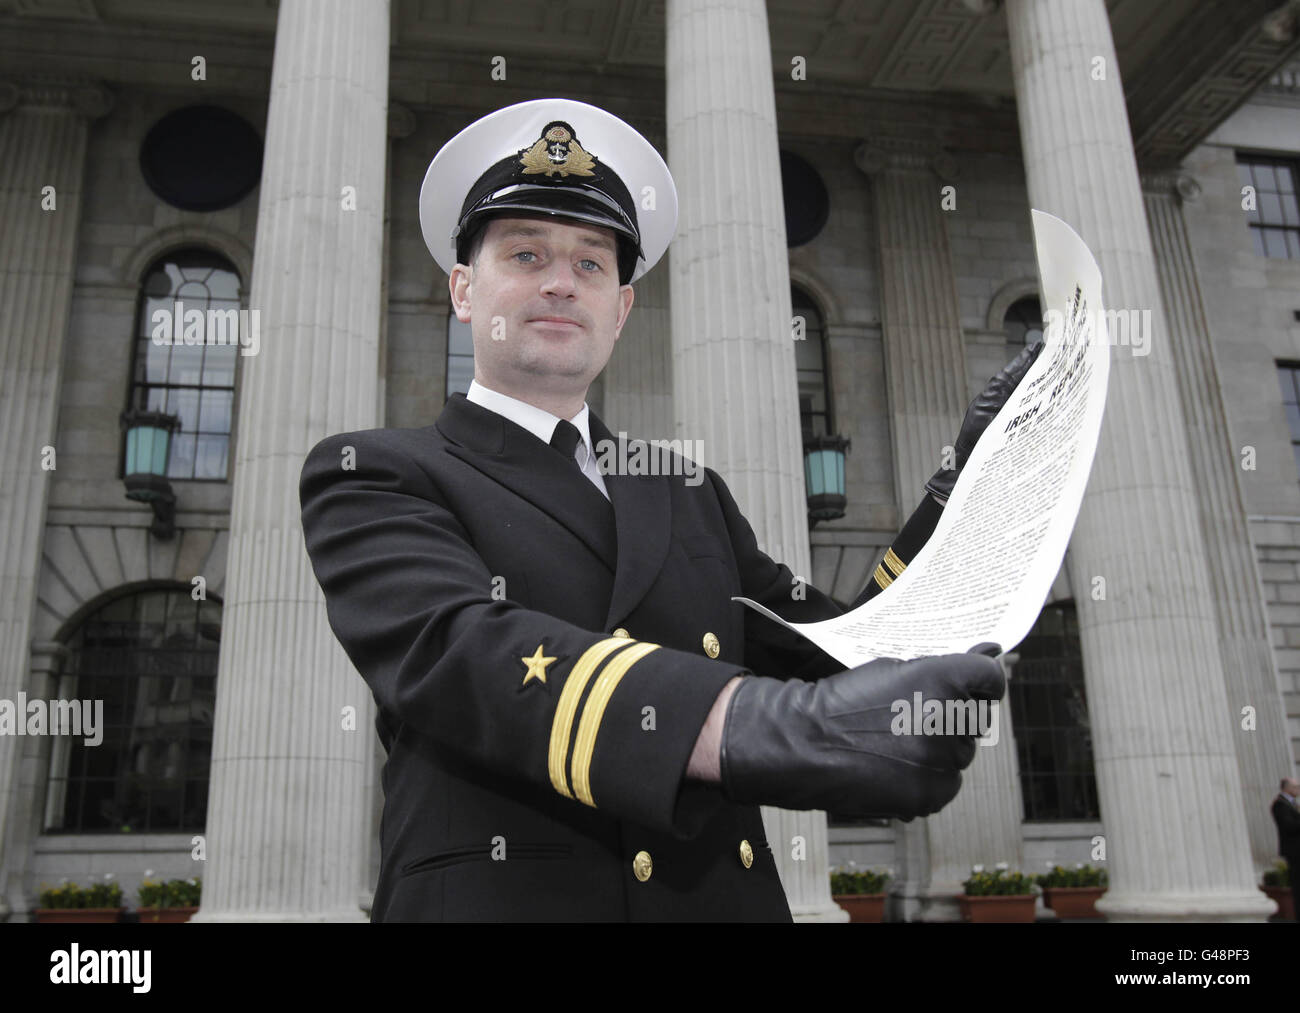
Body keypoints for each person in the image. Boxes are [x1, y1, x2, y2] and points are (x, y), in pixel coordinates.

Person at [298, 98, 1040, 921]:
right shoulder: (377, 472)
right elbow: (464, 654)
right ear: (465, 290)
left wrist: (965, 491)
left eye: (591, 264)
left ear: (619, 310)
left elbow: (839, 654)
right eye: (527, 253)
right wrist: (759, 728)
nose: (559, 281)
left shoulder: (686, 491)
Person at [1272, 777, 1300, 920]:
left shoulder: (1291, 804)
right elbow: (1287, 826)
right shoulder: (1280, 805)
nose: (1298, 790)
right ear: (1286, 788)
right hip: (1294, 851)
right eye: (1296, 787)